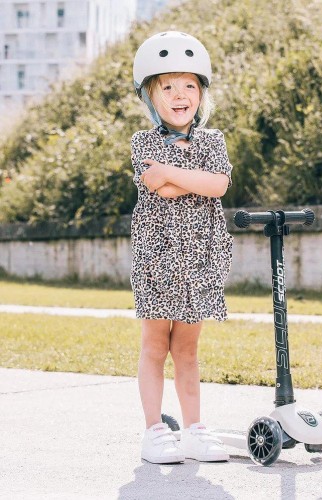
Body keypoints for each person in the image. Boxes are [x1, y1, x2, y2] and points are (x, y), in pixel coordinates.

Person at [130, 31, 233, 464]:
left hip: (201, 260)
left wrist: (175, 174)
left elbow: (219, 185)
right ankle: (155, 431)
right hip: (157, 258)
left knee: (187, 349)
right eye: (168, 86)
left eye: (189, 85)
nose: (179, 95)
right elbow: (162, 188)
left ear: (201, 93)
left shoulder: (213, 141)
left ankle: (193, 430)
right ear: (151, 97)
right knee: (156, 345)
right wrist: (193, 180)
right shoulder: (143, 142)